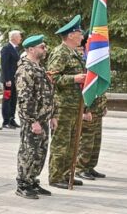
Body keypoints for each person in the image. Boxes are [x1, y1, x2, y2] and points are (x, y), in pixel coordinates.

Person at [46, 15, 88, 189]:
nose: (82, 36)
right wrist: (74, 78)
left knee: (71, 142)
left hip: (74, 104)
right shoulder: (60, 52)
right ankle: (55, 177)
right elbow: (51, 77)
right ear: (71, 35)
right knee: (61, 142)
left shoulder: (73, 53)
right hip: (62, 105)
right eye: (79, 33)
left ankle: (66, 173)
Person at [15, 35, 56, 199]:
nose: (44, 49)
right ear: (31, 49)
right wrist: (33, 122)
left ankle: (32, 181)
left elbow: (48, 95)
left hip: (43, 119)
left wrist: (52, 115)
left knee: (40, 152)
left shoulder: (38, 67)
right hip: (33, 121)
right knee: (29, 152)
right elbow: (25, 99)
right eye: (42, 46)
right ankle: (23, 184)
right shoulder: (25, 69)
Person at [75, 32, 107, 182]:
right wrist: (85, 110)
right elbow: (84, 87)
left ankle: (90, 166)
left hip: (98, 107)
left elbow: (99, 84)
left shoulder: (96, 57)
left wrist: (103, 104)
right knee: (86, 139)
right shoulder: (85, 59)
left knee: (95, 140)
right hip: (88, 107)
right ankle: (81, 167)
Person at [0, 30, 23, 128]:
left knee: (13, 99)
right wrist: (7, 79)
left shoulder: (16, 48)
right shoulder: (6, 48)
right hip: (8, 80)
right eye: (19, 37)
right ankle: (6, 121)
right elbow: (4, 65)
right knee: (7, 99)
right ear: (13, 38)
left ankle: (11, 119)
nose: (20, 38)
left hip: (15, 79)